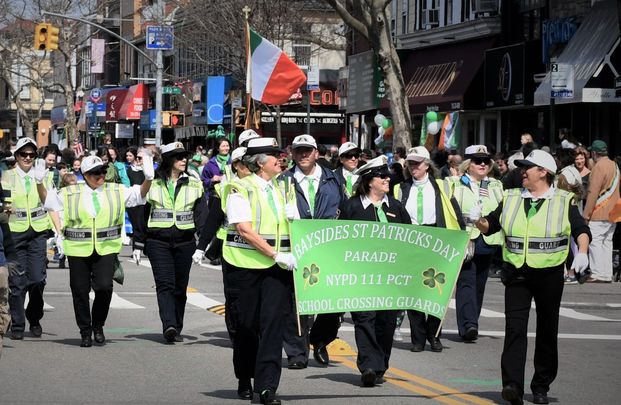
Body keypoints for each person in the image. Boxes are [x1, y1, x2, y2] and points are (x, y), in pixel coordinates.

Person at [471, 149, 591, 405]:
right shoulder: (512, 197)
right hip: (517, 271)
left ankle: (541, 386)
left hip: (549, 273)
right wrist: (477, 219)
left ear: (543, 172)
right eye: (522, 167)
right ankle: (513, 385)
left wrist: (582, 253)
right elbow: (492, 224)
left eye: (528, 167)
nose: (522, 171)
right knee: (515, 329)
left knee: (547, 330)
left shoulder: (563, 199)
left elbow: (580, 229)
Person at [40, 154, 154, 347]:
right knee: (80, 291)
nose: (100, 175)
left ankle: (98, 325)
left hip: (106, 247)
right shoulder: (70, 192)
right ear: (84, 175)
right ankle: (85, 331)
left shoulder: (115, 190)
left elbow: (139, 195)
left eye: (102, 171)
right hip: (77, 249)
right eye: (94, 173)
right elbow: (49, 202)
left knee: (104, 287)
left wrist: (148, 179)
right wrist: (37, 183)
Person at [222, 137, 296, 405]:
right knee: (246, 326)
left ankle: (266, 388)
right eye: (274, 154)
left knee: (273, 326)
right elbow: (244, 228)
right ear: (260, 162)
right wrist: (275, 254)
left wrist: (295, 220)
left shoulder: (283, 188)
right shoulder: (239, 188)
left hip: (276, 270)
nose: (280, 158)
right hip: (244, 266)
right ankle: (245, 376)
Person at [338, 155, 411, 387]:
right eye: (382, 176)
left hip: (390, 277)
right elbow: (338, 240)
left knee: (386, 323)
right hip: (361, 275)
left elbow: (410, 239)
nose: (387, 179)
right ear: (370, 181)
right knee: (364, 319)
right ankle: (368, 365)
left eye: (387, 176)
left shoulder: (396, 207)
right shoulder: (351, 206)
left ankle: (380, 365)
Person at [281, 134, 345, 370]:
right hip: (297, 247)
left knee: (333, 301)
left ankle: (320, 340)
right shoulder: (283, 180)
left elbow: (344, 208)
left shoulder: (333, 179)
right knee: (296, 302)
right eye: (299, 150)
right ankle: (297, 353)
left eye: (308, 150)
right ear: (292, 154)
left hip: (329, 246)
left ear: (317, 153)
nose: (304, 154)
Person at [393, 146, 464, 352]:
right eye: (410, 163)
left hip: (436, 237)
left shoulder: (442, 186)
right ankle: (418, 337)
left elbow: (455, 214)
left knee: (436, 289)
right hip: (411, 239)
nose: (413, 166)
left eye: (417, 163)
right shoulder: (401, 188)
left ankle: (434, 334)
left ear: (427, 165)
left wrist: (462, 239)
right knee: (413, 289)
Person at [134, 142, 207, 343]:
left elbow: (201, 213)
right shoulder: (153, 183)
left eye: (185, 157)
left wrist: (203, 243)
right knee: (165, 284)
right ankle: (169, 325)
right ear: (168, 161)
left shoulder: (194, 182)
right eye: (179, 157)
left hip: (185, 242)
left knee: (180, 287)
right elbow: (141, 213)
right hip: (158, 242)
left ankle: (177, 324)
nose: (184, 160)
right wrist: (138, 243)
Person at [446, 145, 503, 342]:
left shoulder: (496, 185)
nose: (482, 164)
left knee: (479, 284)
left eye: (486, 161)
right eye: (477, 161)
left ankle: (472, 320)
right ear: (467, 164)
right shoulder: (454, 183)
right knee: (466, 282)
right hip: (465, 237)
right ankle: (469, 324)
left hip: (488, 239)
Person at [192, 147, 250, 340]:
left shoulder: (264, 185)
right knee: (233, 294)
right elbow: (213, 220)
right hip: (230, 245)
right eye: (245, 162)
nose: (249, 166)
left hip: (257, 247)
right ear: (236, 165)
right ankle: (235, 333)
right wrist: (201, 247)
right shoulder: (224, 187)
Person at [0, 138, 49, 340]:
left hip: (38, 231)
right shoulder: (6, 176)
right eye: (23, 154)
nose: (28, 158)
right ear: (17, 156)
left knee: (37, 279)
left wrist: (40, 182)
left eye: (31, 154)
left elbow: (50, 202)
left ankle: (35, 317)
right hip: (14, 232)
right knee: (17, 281)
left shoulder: (43, 175)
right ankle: (18, 324)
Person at [583, 140, 619, 283]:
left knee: (596, 241)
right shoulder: (614, 165)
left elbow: (593, 192)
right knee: (607, 242)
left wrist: (586, 214)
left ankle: (597, 273)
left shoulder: (598, 167)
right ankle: (606, 273)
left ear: (594, 153)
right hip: (615, 210)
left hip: (600, 210)